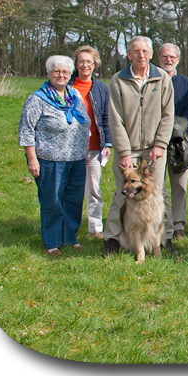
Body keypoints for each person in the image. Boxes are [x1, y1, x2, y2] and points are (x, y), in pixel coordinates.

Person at [102, 36, 177, 257]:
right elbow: (115, 118)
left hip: (155, 148)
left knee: (159, 193)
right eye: (136, 51)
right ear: (129, 54)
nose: (141, 55)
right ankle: (113, 238)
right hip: (129, 148)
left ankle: (165, 239)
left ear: (151, 54)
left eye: (145, 51)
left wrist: (161, 144)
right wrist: (124, 152)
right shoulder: (118, 80)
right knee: (122, 193)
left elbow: (168, 115)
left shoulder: (162, 78)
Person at [19, 56, 91, 255]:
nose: (61, 75)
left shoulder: (74, 95)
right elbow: (26, 130)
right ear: (48, 73)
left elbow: (84, 125)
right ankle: (52, 243)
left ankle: (69, 238)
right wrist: (32, 159)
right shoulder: (37, 99)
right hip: (50, 160)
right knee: (52, 202)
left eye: (65, 72)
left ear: (70, 74)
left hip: (76, 159)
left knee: (73, 201)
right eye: (57, 72)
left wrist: (83, 151)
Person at [68, 45, 112, 239]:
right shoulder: (65, 86)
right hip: (68, 149)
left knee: (94, 189)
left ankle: (95, 228)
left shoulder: (101, 88)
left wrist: (108, 143)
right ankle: (68, 226)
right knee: (70, 189)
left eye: (89, 62)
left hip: (94, 148)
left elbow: (105, 118)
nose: (85, 65)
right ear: (75, 64)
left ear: (95, 65)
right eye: (81, 61)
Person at [158, 43, 188, 240]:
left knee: (180, 185)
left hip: (179, 141)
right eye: (164, 56)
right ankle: (162, 223)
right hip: (155, 140)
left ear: (178, 60)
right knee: (156, 184)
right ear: (158, 58)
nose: (168, 60)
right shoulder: (152, 79)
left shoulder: (185, 83)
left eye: (172, 57)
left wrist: (177, 128)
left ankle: (179, 224)